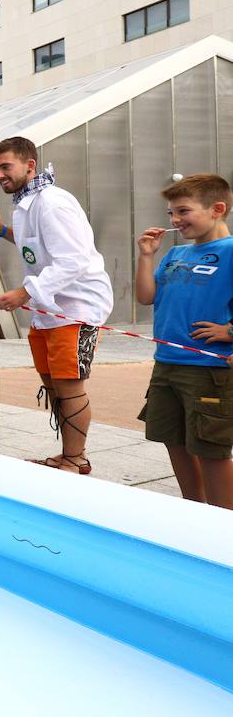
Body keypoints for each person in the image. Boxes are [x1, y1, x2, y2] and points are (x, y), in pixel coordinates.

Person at [0, 136, 112, 471]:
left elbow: (73, 261)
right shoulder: (27, 202)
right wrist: (0, 229)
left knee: (70, 388)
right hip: (49, 311)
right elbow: (34, 244)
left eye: (5, 166)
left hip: (76, 308)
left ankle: (75, 458)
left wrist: (24, 293)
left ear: (30, 165)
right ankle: (68, 453)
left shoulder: (52, 202)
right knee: (53, 384)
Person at [134, 174, 233, 510]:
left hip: (208, 370)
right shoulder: (174, 253)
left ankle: (222, 526)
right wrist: (146, 256)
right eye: (171, 215)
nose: (175, 220)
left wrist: (229, 331)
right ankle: (194, 511)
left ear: (217, 209)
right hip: (166, 365)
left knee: (210, 450)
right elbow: (146, 296)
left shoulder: (231, 251)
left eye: (183, 211)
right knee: (172, 440)